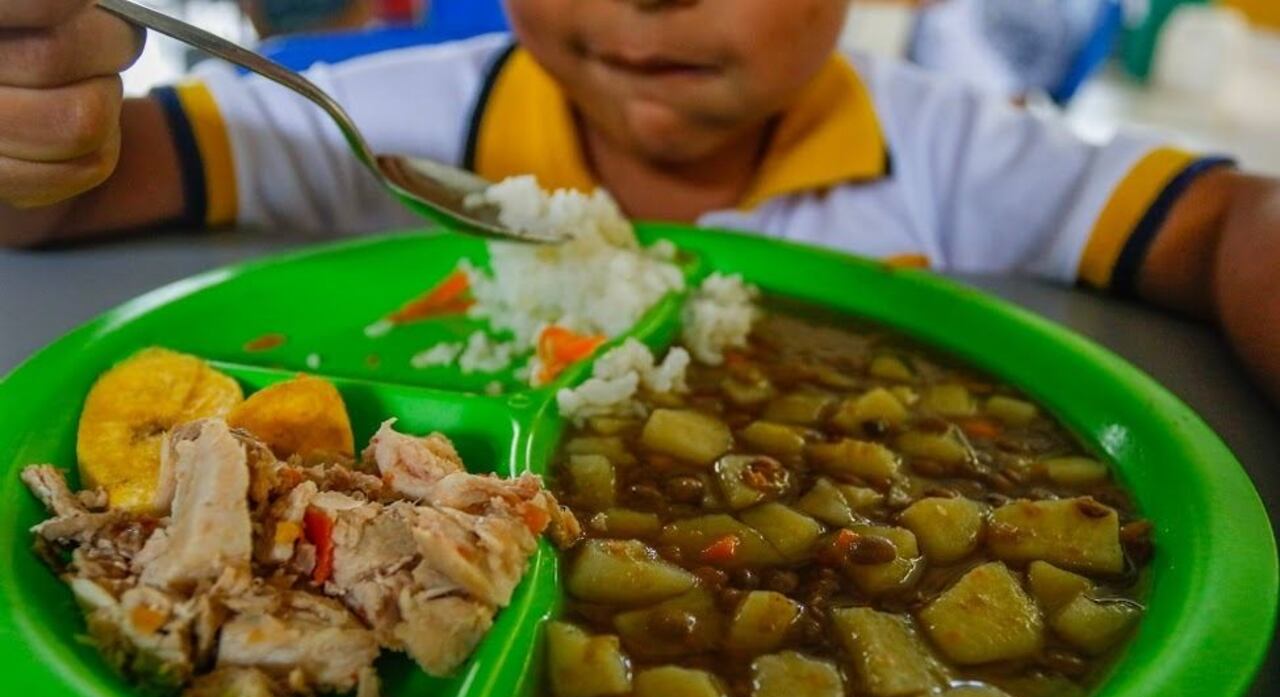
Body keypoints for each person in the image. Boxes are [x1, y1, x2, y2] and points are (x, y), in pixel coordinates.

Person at [0, 0, 1277, 402]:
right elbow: (74, 194)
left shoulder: (949, 149)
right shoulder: (393, 118)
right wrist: (36, 121)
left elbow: (1229, 222)